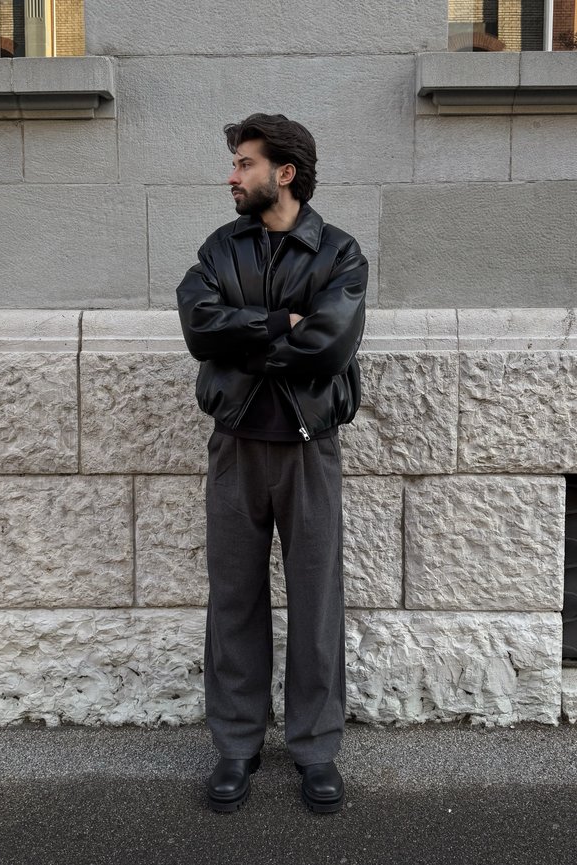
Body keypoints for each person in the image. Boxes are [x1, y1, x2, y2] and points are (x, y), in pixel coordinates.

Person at [177, 113, 368, 813]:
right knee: (234, 596)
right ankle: (236, 744)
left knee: (316, 600)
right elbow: (198, 327)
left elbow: (329, 345)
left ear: (284, 173)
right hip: (236, 443)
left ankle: (315, 749)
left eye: (245, 163)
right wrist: (277, 323)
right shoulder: (218, 249)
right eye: (235, 163)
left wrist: (245, 340)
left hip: (309, 447)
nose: (232, 176)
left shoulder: (339, 253)